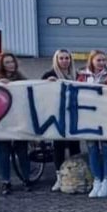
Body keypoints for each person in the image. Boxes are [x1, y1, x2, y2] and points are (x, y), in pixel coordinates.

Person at [0, 52, 33, 195]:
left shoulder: (21, 77)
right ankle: (6, 182)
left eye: (12, 62)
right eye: (7, 62)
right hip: (1, 121)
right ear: (1, 65)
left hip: (19, 119)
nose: (11, 65)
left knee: (22, 151)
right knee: (4, 153)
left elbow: (32, 90)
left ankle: (26, 179)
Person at [77, 50, 107, 198]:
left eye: (103, 60)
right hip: (88, 118)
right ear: (92, 61)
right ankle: (97, 180)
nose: (102, 63)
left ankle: (106, 181)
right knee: (92, 149)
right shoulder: (82, 77)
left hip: (106, 118)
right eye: (99, 60)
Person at [40, 49, 82, 191]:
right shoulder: (49, 75)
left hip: (74, 116)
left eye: (67, 58)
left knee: (74, 146)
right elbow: (40, 93)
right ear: (56, 60)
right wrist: (47, 84)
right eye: (61, 58)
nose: (64, 61)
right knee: (58, 146)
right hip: (57, 116)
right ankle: (59, 177)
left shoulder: (76, 75)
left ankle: (75, 174)